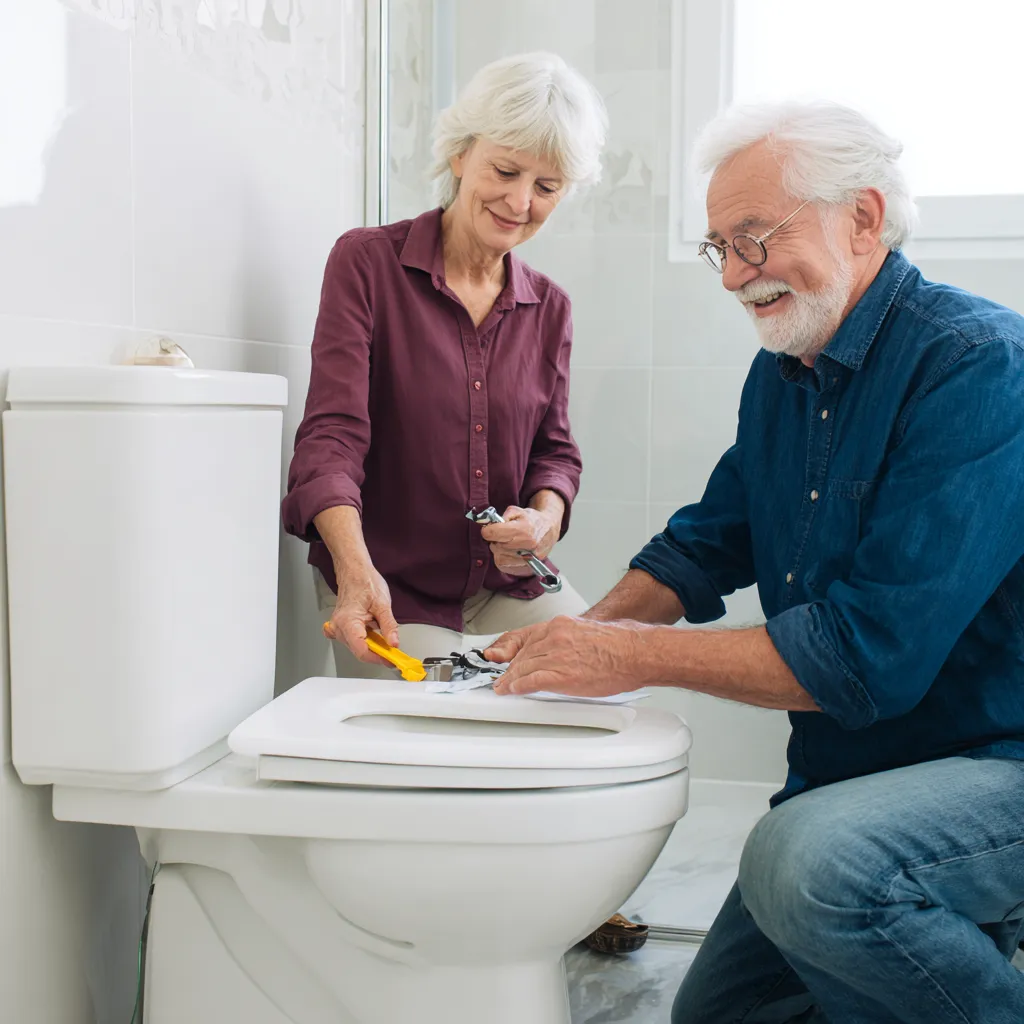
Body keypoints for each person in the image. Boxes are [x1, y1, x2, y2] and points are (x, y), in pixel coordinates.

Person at [486, 101, 1024, 1023]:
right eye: (719, 248)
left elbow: (865, 658)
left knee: (805, 865)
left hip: (997, 766)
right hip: (851, 776)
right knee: (718, 1016)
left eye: (754, 238)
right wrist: (580, 638)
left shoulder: (980, 366)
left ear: (862, 218)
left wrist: (624, 656)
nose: (735, 275)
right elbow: (708, 540)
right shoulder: (785, 373)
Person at [282, 52, 607, 676]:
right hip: (386, 584)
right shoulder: (366, 265)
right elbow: (331, 436)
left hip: (507, 588)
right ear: (460, 154)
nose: (520, 201)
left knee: (598, 682)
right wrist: (354, 571)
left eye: (546, 187)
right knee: (435, 719)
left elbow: (555, 453)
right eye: (505, 170)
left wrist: (544, 521)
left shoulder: (551, 308)